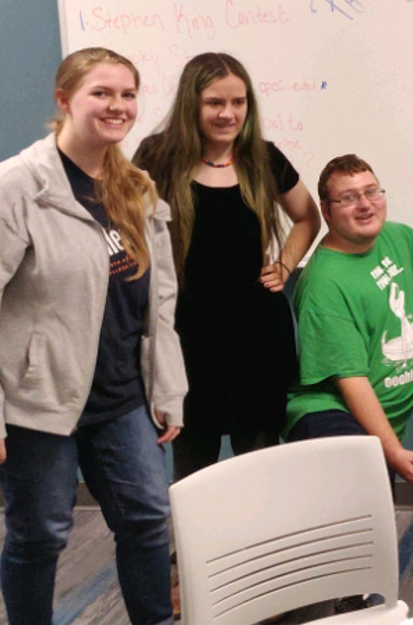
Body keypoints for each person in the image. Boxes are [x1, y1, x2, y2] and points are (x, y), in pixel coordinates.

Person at [0, 47, 186, 625]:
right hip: (38, 399)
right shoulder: (17, 186)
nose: (117, 106)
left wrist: (167, 387)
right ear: (64, 100)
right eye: (102, 93)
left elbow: (160, 299)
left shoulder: (137, 187)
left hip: (120, 393)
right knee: (42, 533)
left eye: (127, 94)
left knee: (148, 516)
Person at [133, 52, 320, 480]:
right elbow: (124, 227)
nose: (228, 113)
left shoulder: (264, 157)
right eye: (215, 102)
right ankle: (193, 549)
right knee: (192, 458)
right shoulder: (156, 157)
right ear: (191, 105)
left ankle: (257, 546)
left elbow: (309, 217)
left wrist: (286, 265)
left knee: (258, 456)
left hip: (256, 334)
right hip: (185, 333)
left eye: (239, 103)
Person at [284, 146, 413, 505]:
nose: (365, 204)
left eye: (372, 192)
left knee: (370, 529)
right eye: (349, 198)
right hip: (330, 418)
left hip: (374, 424)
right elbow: (352, 381)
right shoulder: (324, 284)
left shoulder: (394, 239)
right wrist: (392, 451)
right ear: (327, 211)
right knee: (353, 526)